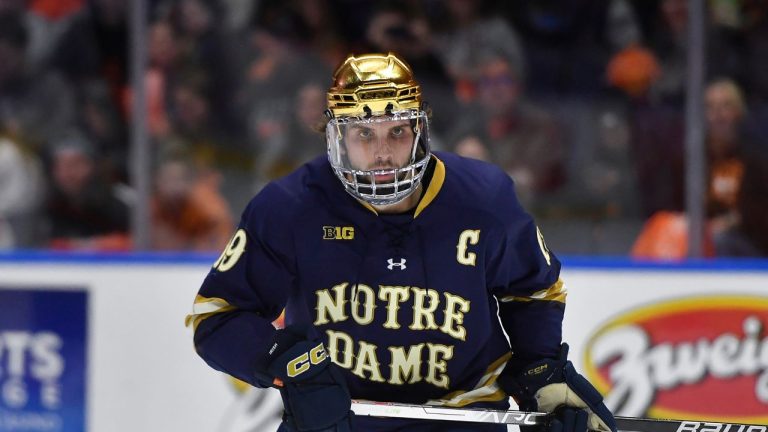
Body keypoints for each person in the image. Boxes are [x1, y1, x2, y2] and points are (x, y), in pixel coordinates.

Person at [186, 53, 616, 432]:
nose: (384, 153)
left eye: (397, 132)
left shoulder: (484, 200)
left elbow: (533, 289)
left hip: (465, 414)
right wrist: (294, 368)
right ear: (335, 136)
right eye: (365, 135)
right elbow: (218, 317)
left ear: (420, 132)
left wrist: (539, 366)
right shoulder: (289, 208)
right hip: (338, 419)